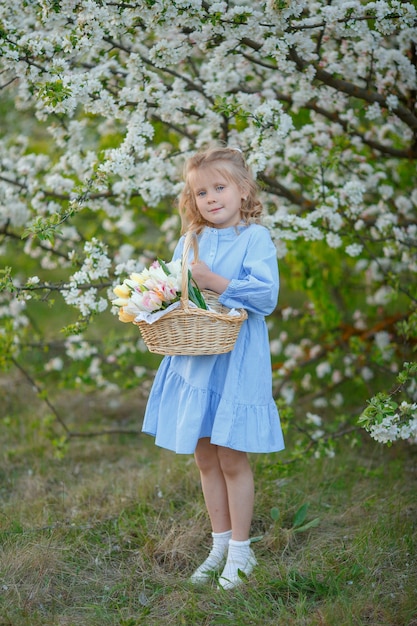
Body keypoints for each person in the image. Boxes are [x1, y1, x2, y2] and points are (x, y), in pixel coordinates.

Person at [142, 146, 284, 590]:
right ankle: (219, 544)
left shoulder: (254, 239)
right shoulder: (191, 241)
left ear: (243, 191)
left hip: (235, 361)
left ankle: (242, 551)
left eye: (219, 187)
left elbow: (266, 297)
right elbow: (174, 292)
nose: (210, 198)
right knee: (204, 455)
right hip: (194, 360)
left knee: (231, 455)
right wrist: (151, 300)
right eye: (201, 192)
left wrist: (213, 282)